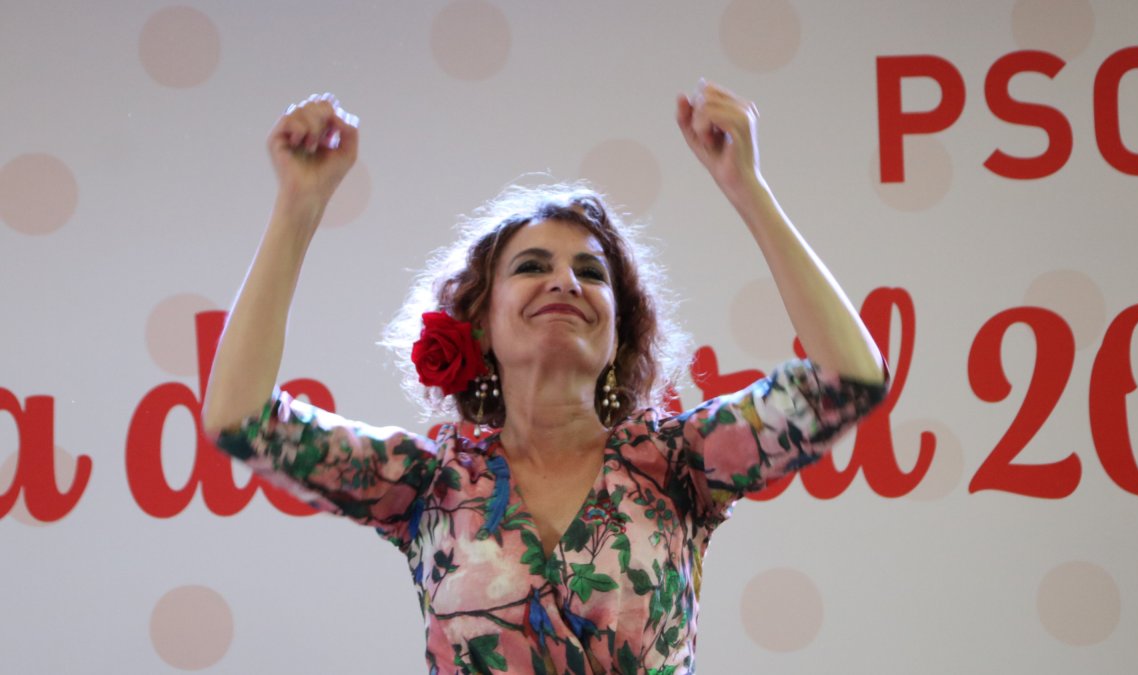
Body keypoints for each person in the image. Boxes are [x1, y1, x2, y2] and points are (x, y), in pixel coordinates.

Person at [203, 82, 889, 674]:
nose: (565, 279)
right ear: (481, 320)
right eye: (532, 265)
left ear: (620, 329)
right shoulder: (428, 483)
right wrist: (298, 206)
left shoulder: (679, 463)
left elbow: (850, 376)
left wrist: (750, 191)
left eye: (592, 273)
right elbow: (241, 418)